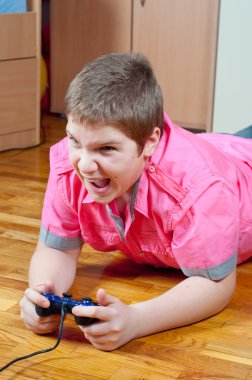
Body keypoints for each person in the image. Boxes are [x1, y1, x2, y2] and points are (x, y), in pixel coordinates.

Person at [20, 52, 252, 351]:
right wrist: (42, 294)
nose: (85, 165)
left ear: (150, 142)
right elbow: (55, 248)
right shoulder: (69, 163)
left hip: (234, 167)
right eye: (75, 141)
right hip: (215, 146)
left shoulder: (202, 187)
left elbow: (216, 285)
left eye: (106, 148)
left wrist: (136, 320)